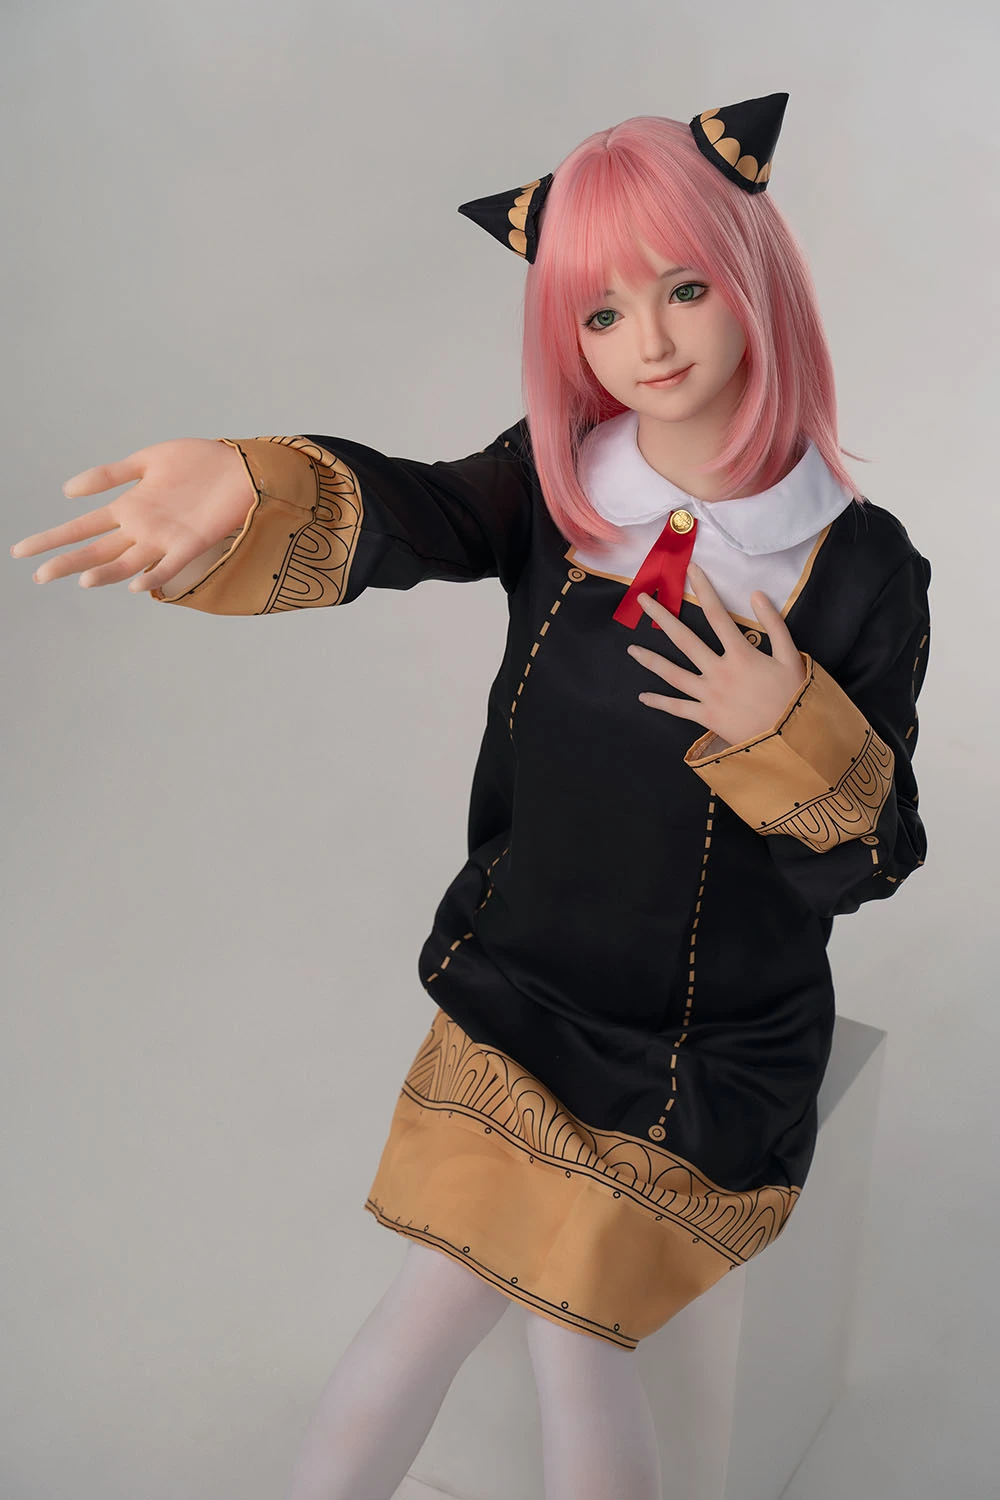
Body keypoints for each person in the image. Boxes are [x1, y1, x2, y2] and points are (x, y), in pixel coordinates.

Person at [10, 94, 931, 1500]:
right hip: (521, 992)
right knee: (433, 1314)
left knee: (571, 1341)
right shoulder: (559, 484)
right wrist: (251, 485)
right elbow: (418, 511)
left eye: (685, 288)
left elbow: (873, 855)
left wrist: (784, 728)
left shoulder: (862, 569)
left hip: (700, 1044)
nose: (652, 341)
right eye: (601, 313)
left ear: (758, 280)